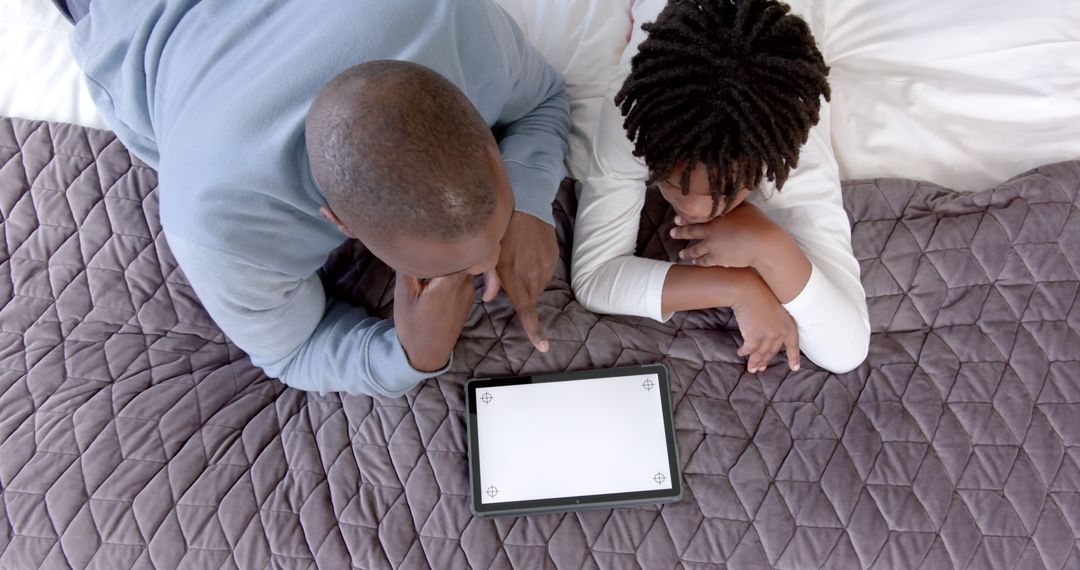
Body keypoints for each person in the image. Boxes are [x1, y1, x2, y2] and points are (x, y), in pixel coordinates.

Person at [63, 0, 570, 395]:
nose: (492, 259)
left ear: (482, 131)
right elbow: (291, 352)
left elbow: (544, 97)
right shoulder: (218, 225)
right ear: (341, 224)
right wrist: (411, 355)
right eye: (446, 267)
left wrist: (527, 201)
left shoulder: (454, 20)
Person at [572, 0, 870, 374]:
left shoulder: (790, 137)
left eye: (727, 192)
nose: (695, 211)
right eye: (668, 180)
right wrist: (739, 287)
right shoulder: (637, 113)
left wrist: (768, 245)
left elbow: (846, 349)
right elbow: (594, 278)